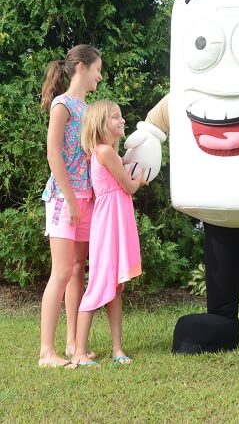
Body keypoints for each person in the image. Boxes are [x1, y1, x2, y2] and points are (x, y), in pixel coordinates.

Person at [39, 44, 102, 368]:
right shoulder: (62, 105)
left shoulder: (88, 109)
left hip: (86, 197)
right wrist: (71, 199)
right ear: (81, 67)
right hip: (65, 200)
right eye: (97, 70)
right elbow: (54, 155)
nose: (99, 77)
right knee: (62, 272)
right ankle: (46, 352)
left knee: (78, 271)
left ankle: (73, 343)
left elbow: (85, 154)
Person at [71, 100, 146, 366]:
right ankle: (79, 352)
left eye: (121, 116)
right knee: (100, 285)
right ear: (101, 124)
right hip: (109, 223)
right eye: (116, 117)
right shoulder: (104, 152)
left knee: (115, 286)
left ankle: (117, 349)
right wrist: (140, 179)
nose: (122, 120)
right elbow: (128, 186)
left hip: (114, 220)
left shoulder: (104, 153)